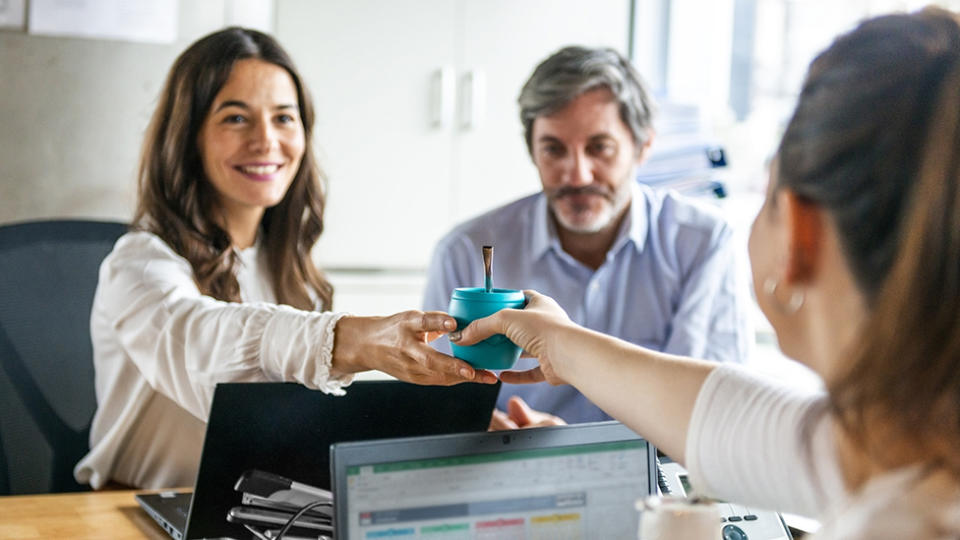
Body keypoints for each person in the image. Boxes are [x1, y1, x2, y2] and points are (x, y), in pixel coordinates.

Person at [452, 8, 960, 538]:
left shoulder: (893, 517)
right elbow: (725, 420)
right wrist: (565, 347)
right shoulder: (887, 447)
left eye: (767, 201)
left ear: (800, 240)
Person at [73, 27, 497, 490]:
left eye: (283, 118)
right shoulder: (138, 264)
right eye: (236, 118)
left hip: (254, 513)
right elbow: (204, 351)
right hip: (135, 512)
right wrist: (352, 340)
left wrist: (453, 434)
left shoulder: (289, 269)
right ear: (188, 136)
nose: (265, 140)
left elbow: (307, 423)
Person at [423, 45, 753, 427]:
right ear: (531, 150)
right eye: (554, 150)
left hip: (652, 477)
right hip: (505, 471)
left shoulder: (702, 244)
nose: (577, 175)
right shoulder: (462, 253)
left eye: (600, 148)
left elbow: (714, 407)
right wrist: (478, 424)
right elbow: (437, 399)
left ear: (643, 145)